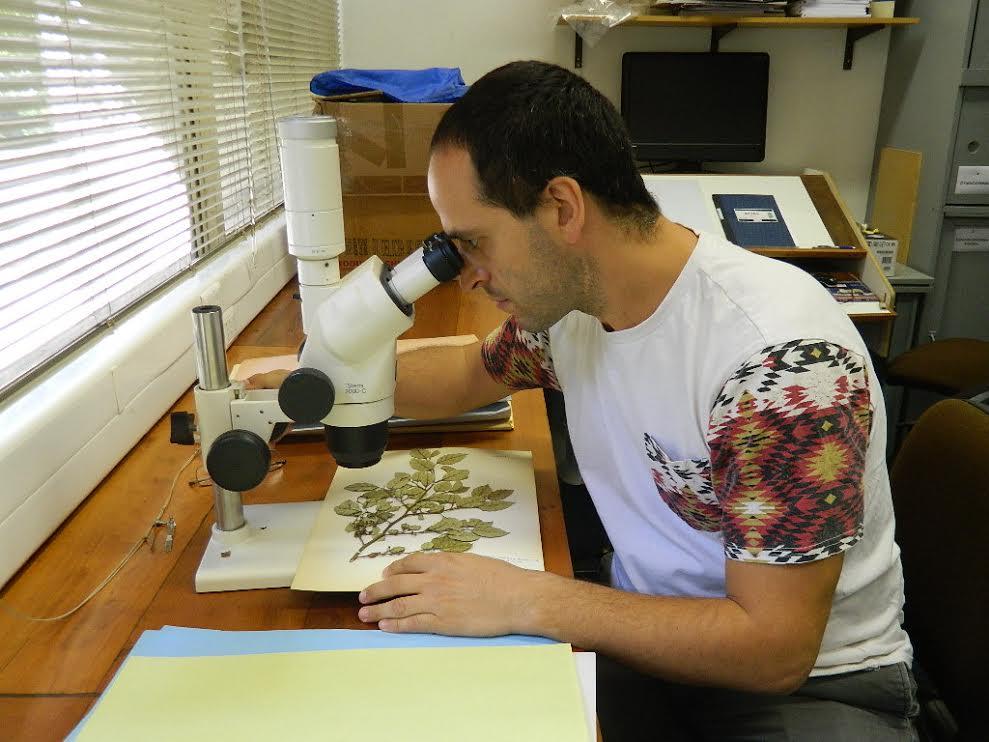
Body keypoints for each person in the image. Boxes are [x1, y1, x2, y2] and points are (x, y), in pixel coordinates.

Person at [271, 60, 918, 739]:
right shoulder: (573, 314)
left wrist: (526, 598)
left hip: (806, 688)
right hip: (650, 641)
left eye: (475, 242)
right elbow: (465, 372)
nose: (467, 277)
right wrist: (309, 381)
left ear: (561, 209)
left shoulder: (777, 366)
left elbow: (772, 650)